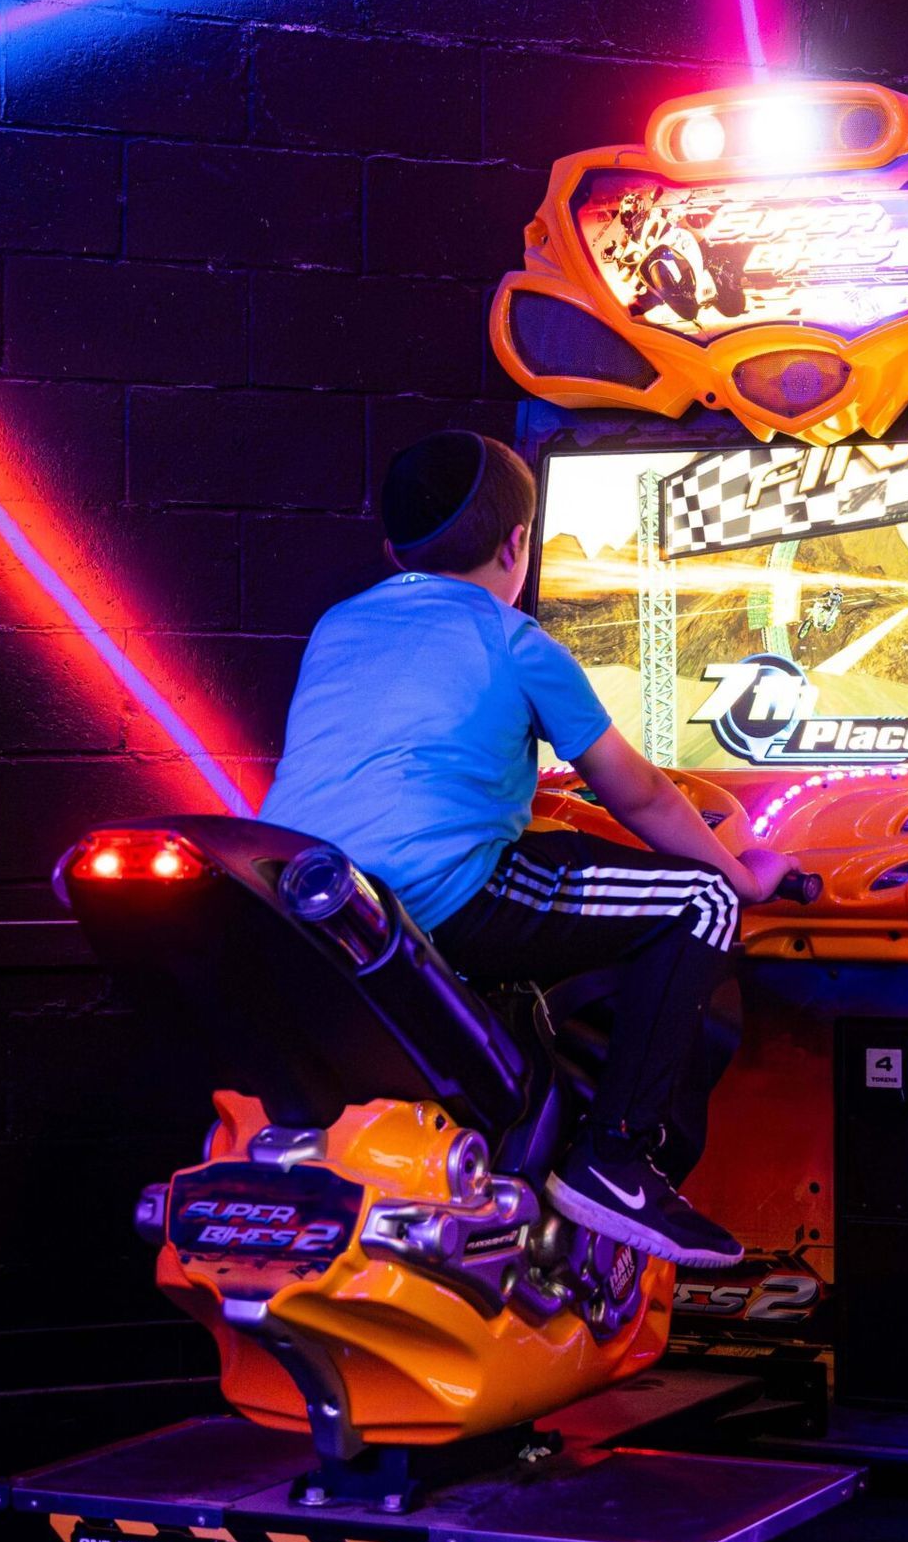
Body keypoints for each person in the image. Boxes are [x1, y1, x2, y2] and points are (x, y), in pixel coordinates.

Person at [261, 428, 791, 1268]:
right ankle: (617, 1160)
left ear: (393, 550)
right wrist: (743, 870)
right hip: (446, 895)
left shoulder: (337, 626)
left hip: (313, 906)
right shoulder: (515, 643)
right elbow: (641, 794)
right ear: (519, 545)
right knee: (700, 902)